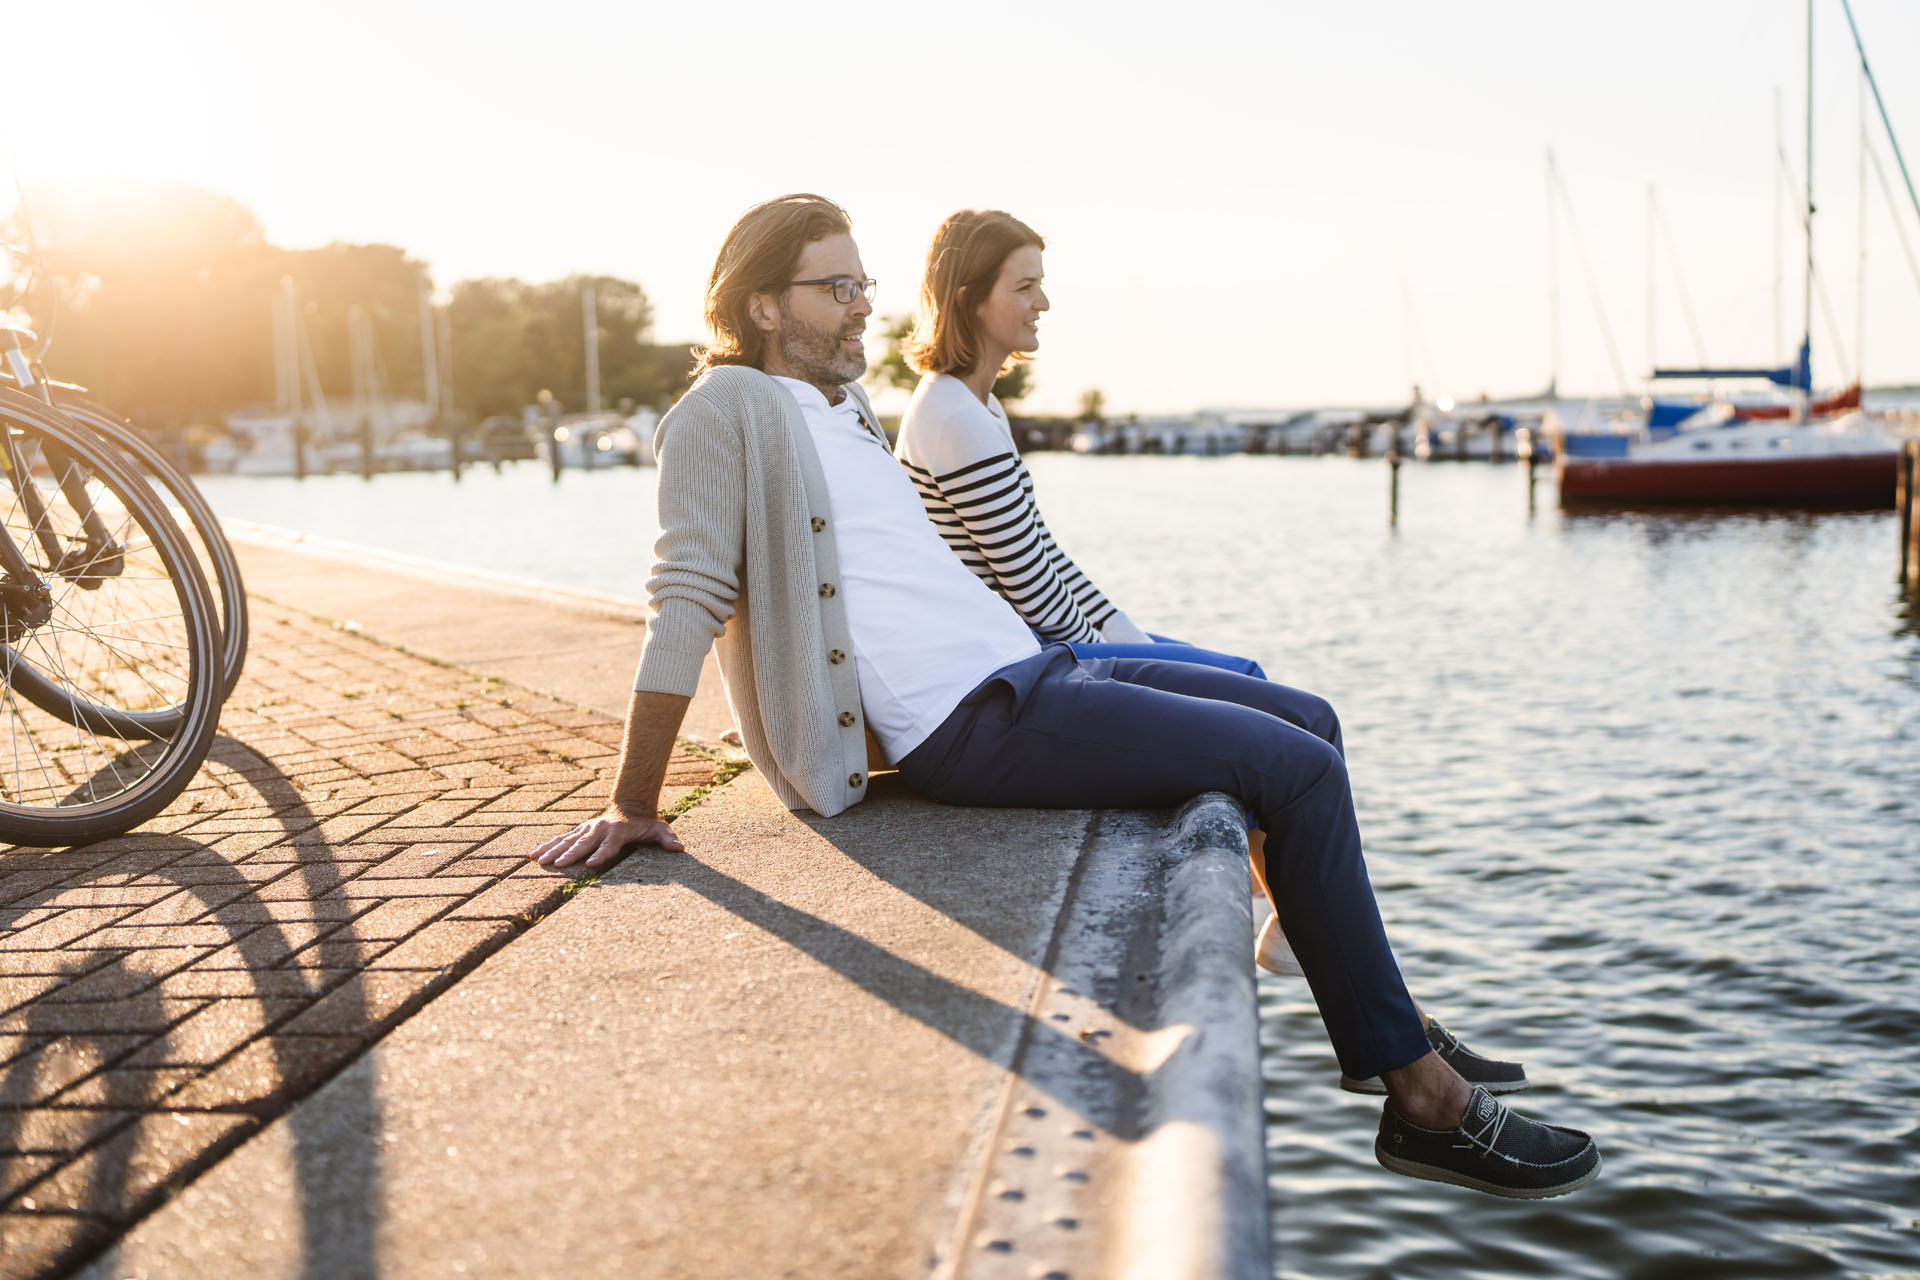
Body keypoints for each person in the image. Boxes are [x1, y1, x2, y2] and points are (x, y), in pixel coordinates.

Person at [528, 195, 1600, 1200]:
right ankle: (1423, 1099)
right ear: (763, 305)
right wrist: (634, 799)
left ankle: (1382, 1005)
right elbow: (686, 594)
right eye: (835, 288)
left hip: (1036, 665)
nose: (865, 304)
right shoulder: (726, 410)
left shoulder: (840, 406)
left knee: (1306, 717)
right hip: (971, 719)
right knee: (1298, 772)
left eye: (864, 283)